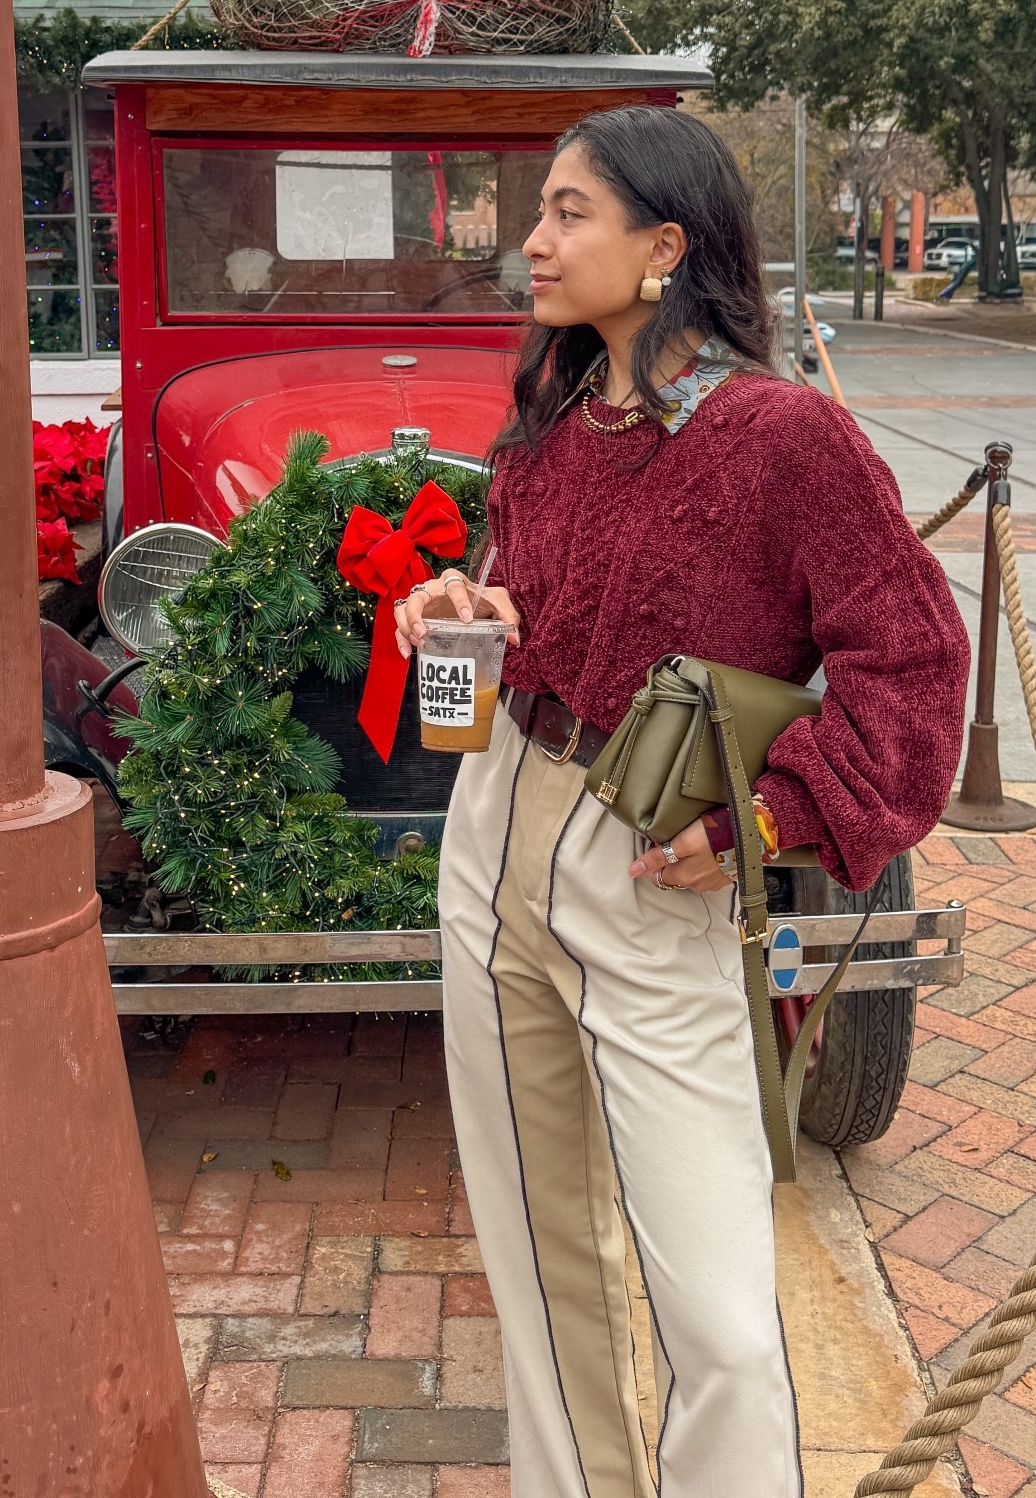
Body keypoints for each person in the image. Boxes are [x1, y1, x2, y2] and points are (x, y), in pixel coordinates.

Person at [394, 106, 969, 1498]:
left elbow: (913, 666)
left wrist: (771, 818)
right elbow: (549, 608)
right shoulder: (553, 418)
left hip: (651, 864)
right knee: (539, 1257)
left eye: (569, 212)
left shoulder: (786, 438)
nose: (533, 241)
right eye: (539, 209)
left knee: (718, 1313)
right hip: (493, 827)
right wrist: (467, 605)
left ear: (666, 245)